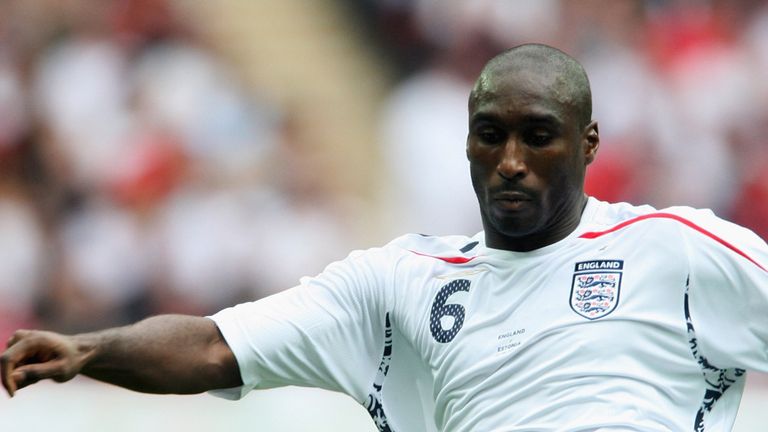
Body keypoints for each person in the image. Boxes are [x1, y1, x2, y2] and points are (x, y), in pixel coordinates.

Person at [2, 43, 768, 431]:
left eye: (538, 136)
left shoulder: (676, 250)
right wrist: (88, 350)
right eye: (490, 135)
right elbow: (209, 347)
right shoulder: (401, 282)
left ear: (588, 143)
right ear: (465, 141)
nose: (510, 161)